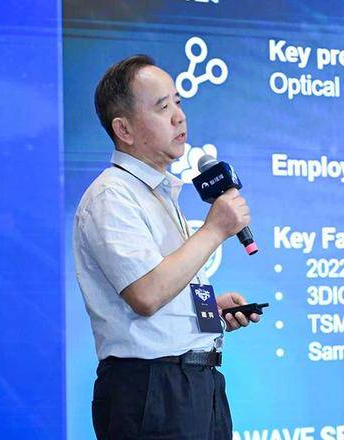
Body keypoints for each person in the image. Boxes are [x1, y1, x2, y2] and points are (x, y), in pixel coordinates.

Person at [73, 54, 260, 440]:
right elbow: (146, 294)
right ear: (123, 129)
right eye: (162, 107)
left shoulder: (160, 194)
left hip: (199, 384)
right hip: (151, 390)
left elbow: (163, 288)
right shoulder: (112, 196)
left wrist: (209, 311)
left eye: (178, 102)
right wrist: (214, 230)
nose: (179, 117)